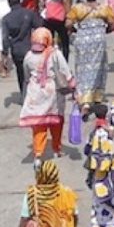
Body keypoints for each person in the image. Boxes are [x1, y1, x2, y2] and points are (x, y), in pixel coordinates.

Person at [19, 27, 75, 166]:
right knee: (56, 121)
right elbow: (65, 70)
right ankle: (57, 148)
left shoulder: (28, 56)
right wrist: (72, 84)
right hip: (52, 91)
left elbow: (26, 75)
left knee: (39, 124)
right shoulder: (55, 53)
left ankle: (38, 153)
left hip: (35, 92)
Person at [65, 0, 114, 114]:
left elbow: (68, 24)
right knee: (99, 68)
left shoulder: (78, 9)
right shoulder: (104, 8)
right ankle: (97, 97)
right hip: (99, 41)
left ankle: (85, 101)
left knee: (82, 69)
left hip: (83, 41)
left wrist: (76, 31)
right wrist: (103, 31)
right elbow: (112, 24)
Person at [2, 0, 43, 95]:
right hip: (30, 49)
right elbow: (40, 26)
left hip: (17, 52)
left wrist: (5, 55)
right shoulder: (29, 13)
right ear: (19, 1)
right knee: (34, 73)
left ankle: (24, 94)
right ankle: (35, 93)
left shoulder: (6, 19)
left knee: (21, 74)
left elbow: (5, 38)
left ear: (8, 3)